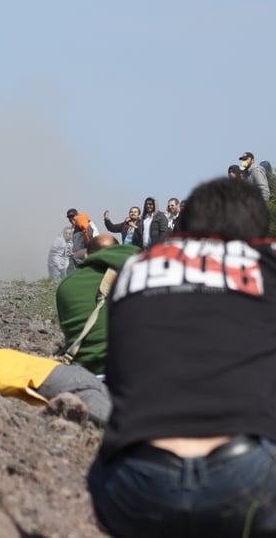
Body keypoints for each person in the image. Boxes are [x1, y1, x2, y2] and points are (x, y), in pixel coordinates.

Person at [88, 177, 276, 538]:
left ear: (186, 225)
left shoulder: (134, 268)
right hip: (247, 476)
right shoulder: (264, 263)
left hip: (134, 485)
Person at [54, 235, 139, 376]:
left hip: (85, 375)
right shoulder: (144, 273)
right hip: (135, 373)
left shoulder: (67, 285)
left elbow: (68, 330)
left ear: (86, 255)